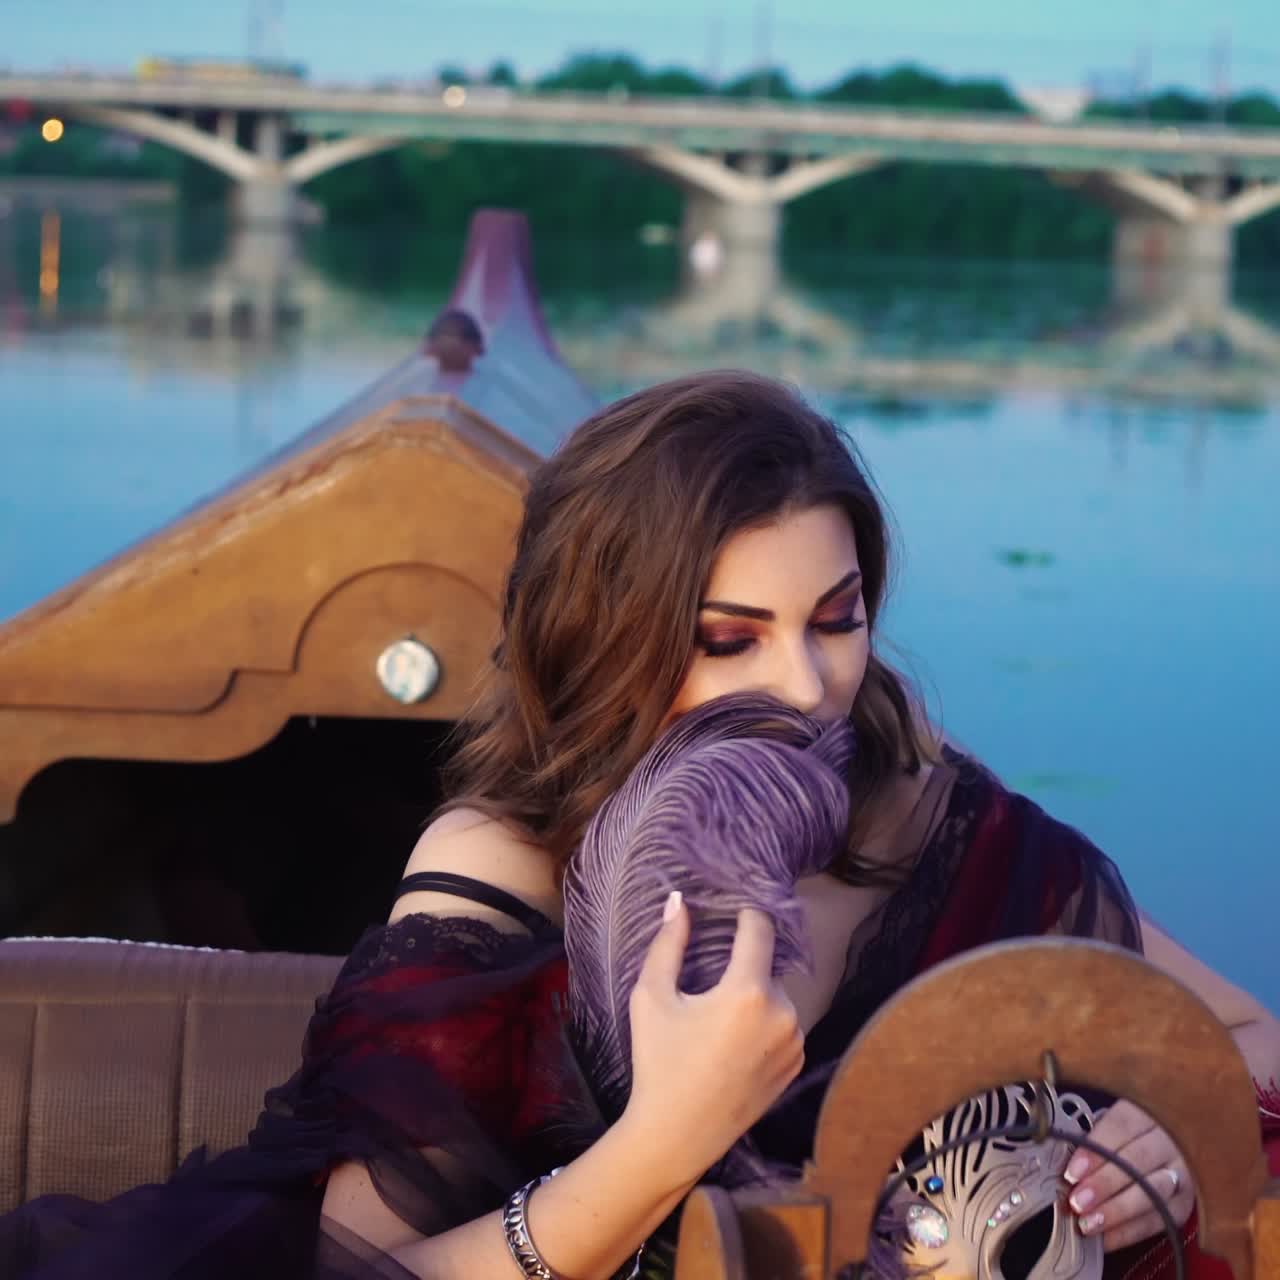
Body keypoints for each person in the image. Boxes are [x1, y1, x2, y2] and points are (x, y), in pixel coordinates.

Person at [4, 371, 1277, 1280]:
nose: (805, 683)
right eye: (730, 638)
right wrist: (664, 1139)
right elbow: (376, 1269)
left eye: (835, 617)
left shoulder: (933, 812)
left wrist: (1166, 1122)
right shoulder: (506, 861)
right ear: (609, 642)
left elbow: (1246, 1039)